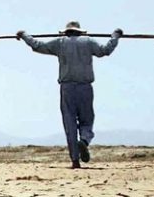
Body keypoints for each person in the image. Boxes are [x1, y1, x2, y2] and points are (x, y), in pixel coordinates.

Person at [17, 21, 122, 168]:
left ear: (66, 32)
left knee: (69, 123)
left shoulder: (60, 43)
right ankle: (84, 141)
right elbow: (105, 50)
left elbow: (37, 45)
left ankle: (75, 160)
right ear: (80, 32)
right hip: (85, 87)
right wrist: (115, 36)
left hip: (67, 88)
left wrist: (24, 35)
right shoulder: (89, 41)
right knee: (87, 120)